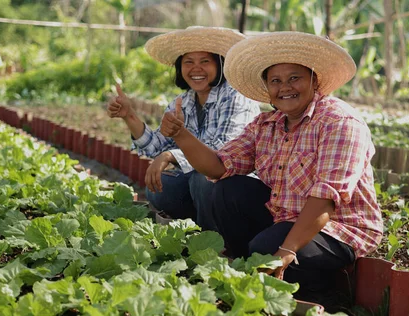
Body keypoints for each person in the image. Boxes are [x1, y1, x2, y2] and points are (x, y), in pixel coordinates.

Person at [159, 32, 383, 311]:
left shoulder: (339, 122)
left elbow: (326, 198)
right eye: (275, 81)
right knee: (227, 190)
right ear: (267, 87)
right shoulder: (267, 124)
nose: (285, 87)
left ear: (315, 80)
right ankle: (251, 273)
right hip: (285, 217)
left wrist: (286, 250)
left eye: (294, 78)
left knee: (267, 248)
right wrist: (181, 135)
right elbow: (218, 166)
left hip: (337, 228)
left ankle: (321, 294)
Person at [107, 27, 260, 231]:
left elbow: (221, 154)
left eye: (205, 61)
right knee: (160, 187)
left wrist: (171, 155)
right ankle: (201, 221)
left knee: (202, 179)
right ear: (180, 68)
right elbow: (155, 147)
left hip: (238, 184)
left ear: (220, 64)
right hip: (203, 181)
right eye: (189, 62)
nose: (196, 69)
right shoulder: (184, 102)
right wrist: (129, 115)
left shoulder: (235, 97)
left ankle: (217, 237)